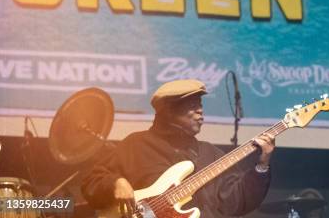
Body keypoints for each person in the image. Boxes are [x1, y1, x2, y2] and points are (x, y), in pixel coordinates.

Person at [81, 79, 275, 218]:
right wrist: (115, 183)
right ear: (169, 111)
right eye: (192, 106)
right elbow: (91, 180)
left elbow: (236, 201)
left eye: (200, 105)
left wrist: (262, 165)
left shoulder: (210, 154)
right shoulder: (136, 145)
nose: (200, 111)